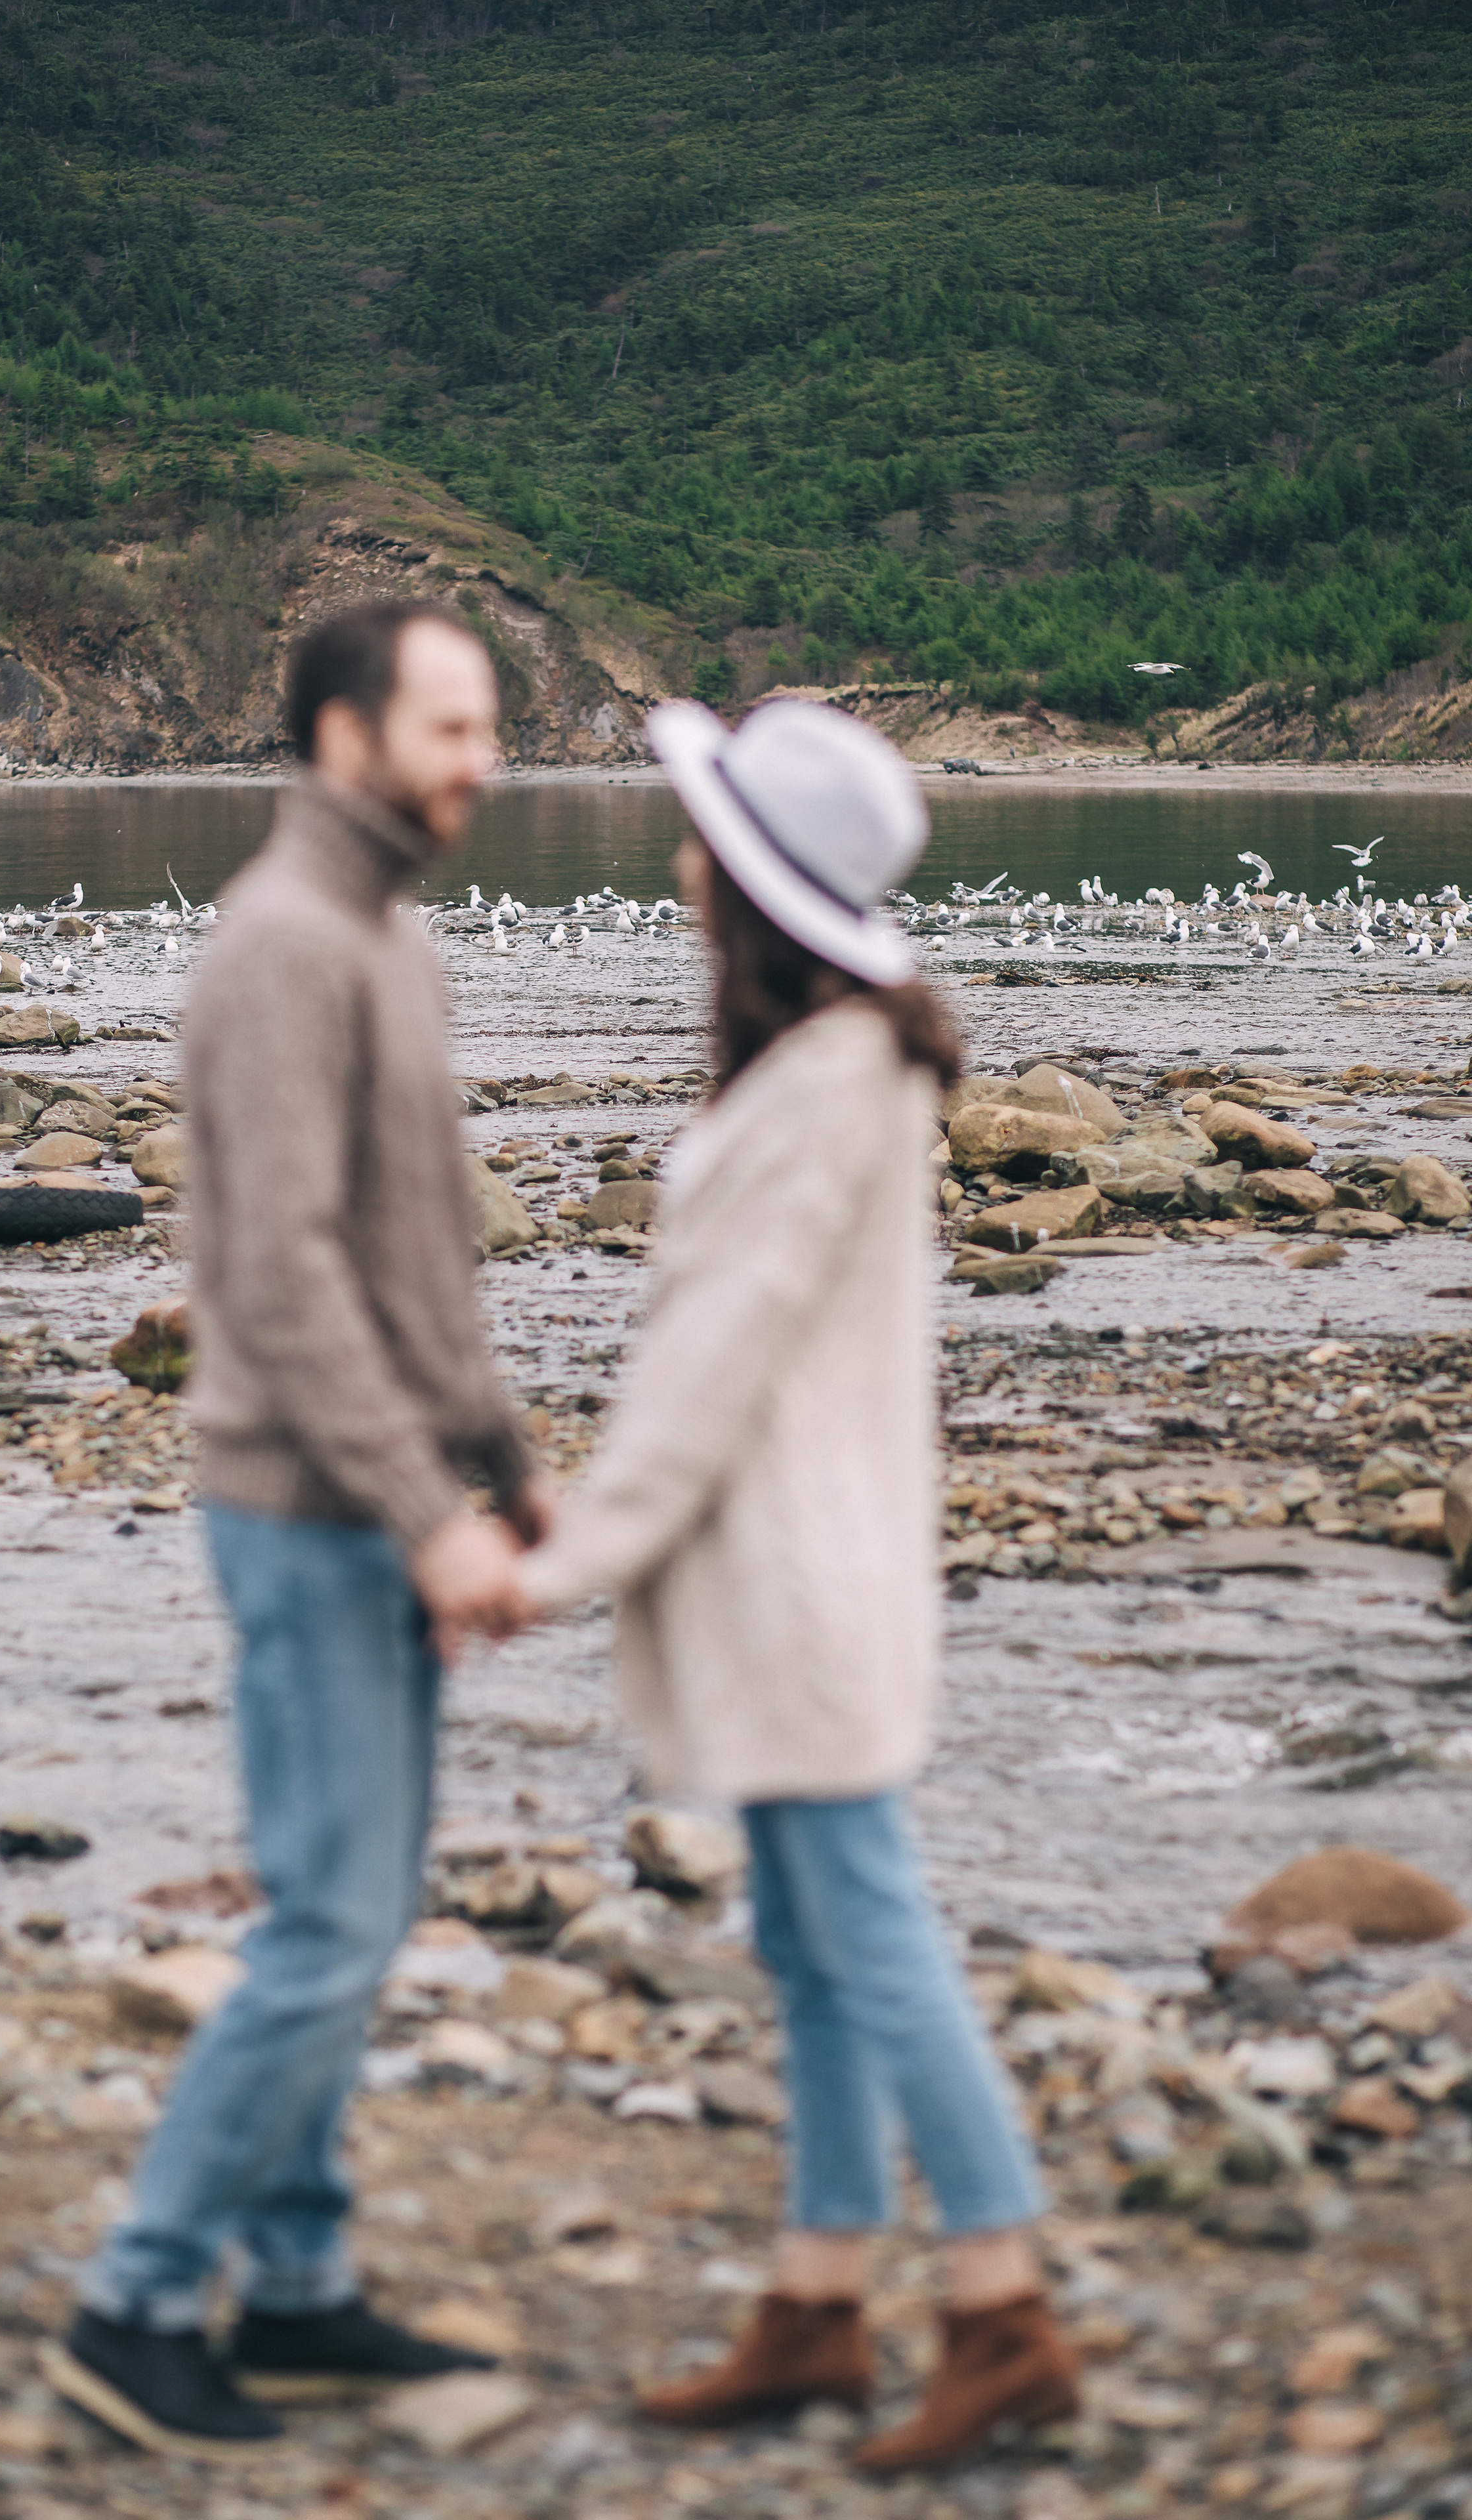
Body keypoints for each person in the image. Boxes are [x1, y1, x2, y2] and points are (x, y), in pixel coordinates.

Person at [505, 698, 1080, 2475]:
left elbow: (713, 1369)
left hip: (798, 1580)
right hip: (801, 1568)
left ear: (753, 882)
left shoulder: (831, 1080)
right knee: (813, 1944)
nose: (684, 860)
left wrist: (562, 1560)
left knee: (873, 1937)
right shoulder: (830, 1059)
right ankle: (820, 2302)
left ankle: (1003, 2309)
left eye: (709, 837)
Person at [46, 602, 547, 2456]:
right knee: (332, 1923)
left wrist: (501, 1464)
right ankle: (137, 2301)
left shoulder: (388, 937)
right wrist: (426, 1512)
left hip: (385, 1496)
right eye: (452, 726)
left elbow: (422, 1254)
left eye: (488, 727)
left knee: (356, 1906)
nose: (484, 760)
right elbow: (277, 1273)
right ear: (346, 736)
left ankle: (301, 2285)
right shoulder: (278, 946)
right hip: (310, 1508)